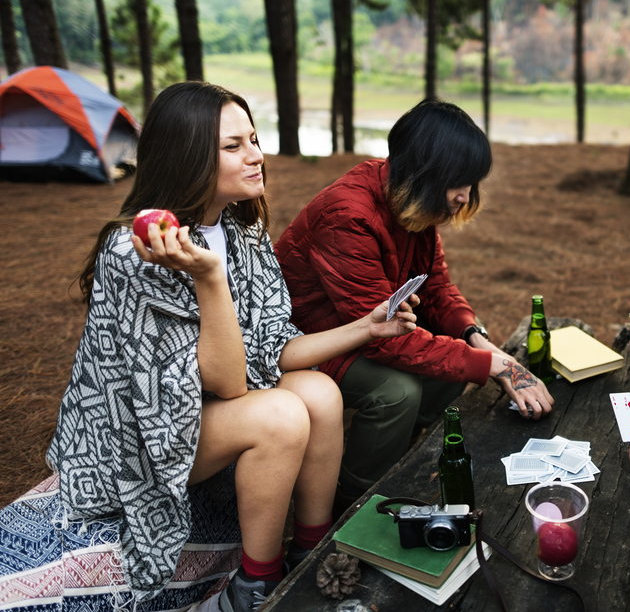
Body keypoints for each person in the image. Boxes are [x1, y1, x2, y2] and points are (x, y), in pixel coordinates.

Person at [45, 82, 417, 612]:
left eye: (255, 139)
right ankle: (253, 588)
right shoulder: (138, 251)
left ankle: (309, 555)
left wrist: (367, 326)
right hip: (138, 438)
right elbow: (227, 383)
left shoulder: (244, 231)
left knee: (319, 392)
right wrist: (209, 278)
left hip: (204, 412)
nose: (257, 156)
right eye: (233, 146)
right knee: (281, 415)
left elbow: (274, 347)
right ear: (188, 155)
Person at [276, 97, 554, 504]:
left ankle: (401, 450)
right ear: (426, 171)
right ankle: (352, 495)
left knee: (452, 368)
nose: (464, 196)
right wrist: (494, 364)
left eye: (471, 184)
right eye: (458, 182)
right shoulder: (349, 215)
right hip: (310, 339)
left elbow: (438, 289)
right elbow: (380, 340)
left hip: (362, 330)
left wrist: (478, 340)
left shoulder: (408, 199)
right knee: (397, 391)